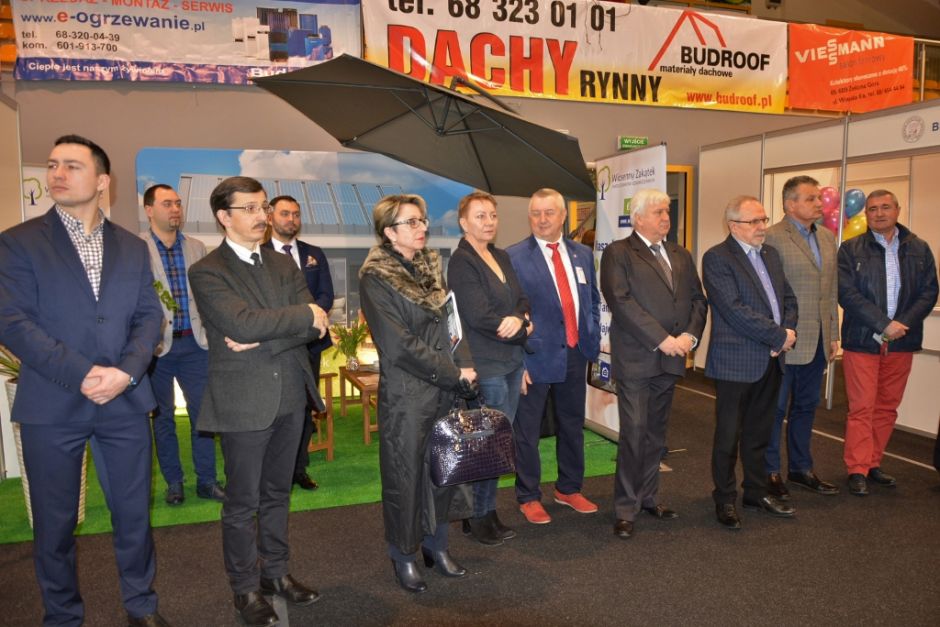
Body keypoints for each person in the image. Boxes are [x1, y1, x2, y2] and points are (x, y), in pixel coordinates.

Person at [0, 135, 169, 626]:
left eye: (72, 165)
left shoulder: (132, 247)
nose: (57, 173)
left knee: (133, 516)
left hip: (124, 402)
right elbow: (12, 322)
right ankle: (62, 616)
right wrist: (83, 373)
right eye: (53, 165)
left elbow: (149, 316)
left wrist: (126, 372)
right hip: (52, 404)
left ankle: (141, 606)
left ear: (102, 181)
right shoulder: (19, 242)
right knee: (53, 526)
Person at [188, 177, 330, 627]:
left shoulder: (283, 263)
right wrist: (296, 318)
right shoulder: (208, 270)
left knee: (277, 495)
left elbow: (316, 326)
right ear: (223, 217)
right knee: (241, 502)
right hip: (244, 401)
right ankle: (245, 589)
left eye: (263, 206)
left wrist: (270, 332)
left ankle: (276, 573)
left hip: (290, 394)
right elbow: (242, 324)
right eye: (248, 208)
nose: (261, 216)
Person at [359, 194, 476, 594]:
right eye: (411, 222)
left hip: (445, 388)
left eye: (422, 220)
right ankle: (404, 555)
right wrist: (453, 373)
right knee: (405, 478)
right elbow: (398, 345)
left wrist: (466, 366)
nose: (422, 227)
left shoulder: (430, 266)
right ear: (389, 232)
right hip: (409, 395)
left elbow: (451, 324)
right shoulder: (375, 276)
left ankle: (436, 546)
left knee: (443, 471)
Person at [599, 189, 707, 539]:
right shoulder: (619, 253)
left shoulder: (680, 254)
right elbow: (621, 301)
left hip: (672, 358)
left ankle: (648, 497)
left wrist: (690, 337)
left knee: (656, 434)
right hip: (637, 358)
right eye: (658, 212)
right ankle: (625, 508)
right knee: (634, 431)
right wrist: (662, 338)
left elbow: (698, 300)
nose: (665, 218)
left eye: (667, 211)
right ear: (638, 218)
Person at [702, 195, 798, 530]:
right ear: (733, 225)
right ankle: (725, 498)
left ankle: (756, 493)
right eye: (753, 221)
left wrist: (786, 332)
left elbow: (788, 299)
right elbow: (733, 310)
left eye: (763, 219)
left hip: (771, 360)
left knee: (760, 432)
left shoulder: (770, 254)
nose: (761, 227)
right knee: (728, 437)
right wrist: (777, 336)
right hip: (736, 362)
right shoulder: (717, 258)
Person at [506, 188, 601, 525]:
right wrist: (517, 362)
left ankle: (569, 488)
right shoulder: (513, 257)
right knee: (527, 431)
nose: (542, 219)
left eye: (549, 212)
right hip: (534, 357)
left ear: (563, 216)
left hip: (576, 353)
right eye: (536, 213)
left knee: (572, 424)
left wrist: (591, 334)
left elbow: (591, 299)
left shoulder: (582, 254)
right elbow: (509, 312)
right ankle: (529, 496)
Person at [837, 189, 938, 496]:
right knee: (861, 407)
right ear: (866, 214)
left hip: (902, 341)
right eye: (872, 209)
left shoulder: (919, 248)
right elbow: (847, 293)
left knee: (886, 407)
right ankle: (857, 468)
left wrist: (902, 324)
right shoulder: (850, 249)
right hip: (862, 339)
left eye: (885, 207)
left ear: (897, 209)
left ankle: (872, 462)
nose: (879, 213)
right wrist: (883, 324)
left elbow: (929, 291)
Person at [447, 191, 531, 546]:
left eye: (493, 215)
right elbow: (478, 315)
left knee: (498, 443)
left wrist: (519, 318)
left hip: (511, 361)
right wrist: (522, 327)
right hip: (487, 366)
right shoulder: (462, 261)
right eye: (480, 216)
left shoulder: (500, 255)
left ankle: (485, 510)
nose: (489, 222)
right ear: (463, 222)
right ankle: (478, 515)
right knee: (486, 444)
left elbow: (521, 299)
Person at [141, 184, 225, 506]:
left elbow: (208, 295)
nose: (175, 209)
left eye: (177, 203)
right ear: (149, 210)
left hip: (195, 345)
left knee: (203, 416)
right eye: (167, 204)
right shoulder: (136, 249)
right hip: (156, 350)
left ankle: (207, 481)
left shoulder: (197, 247)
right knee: (162, 418)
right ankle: (174, 482)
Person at [762, 176, 840, 500]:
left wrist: (833, 333)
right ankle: (770, 472)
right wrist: (773, 335)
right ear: (790, 204)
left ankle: (800, 468)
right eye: (810, 199)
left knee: (806, 407)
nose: (819, 204)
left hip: (818, 340)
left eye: (819, 198)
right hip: (785, 340)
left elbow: (830, 290)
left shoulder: (826, 237)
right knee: (775, 409)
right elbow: (767, 292)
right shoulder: (772, 237)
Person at [264, 194, 335, 492]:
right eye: (285, 213)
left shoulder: (313, 254)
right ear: (270, 216)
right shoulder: (258, 254)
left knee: (305, 407)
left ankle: (298, 468)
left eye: (295, 214)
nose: (291, 219)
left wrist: (308, 321)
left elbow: (326, 295)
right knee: (275, 408)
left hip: (310, 344)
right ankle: (274, 468)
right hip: (275, 346)